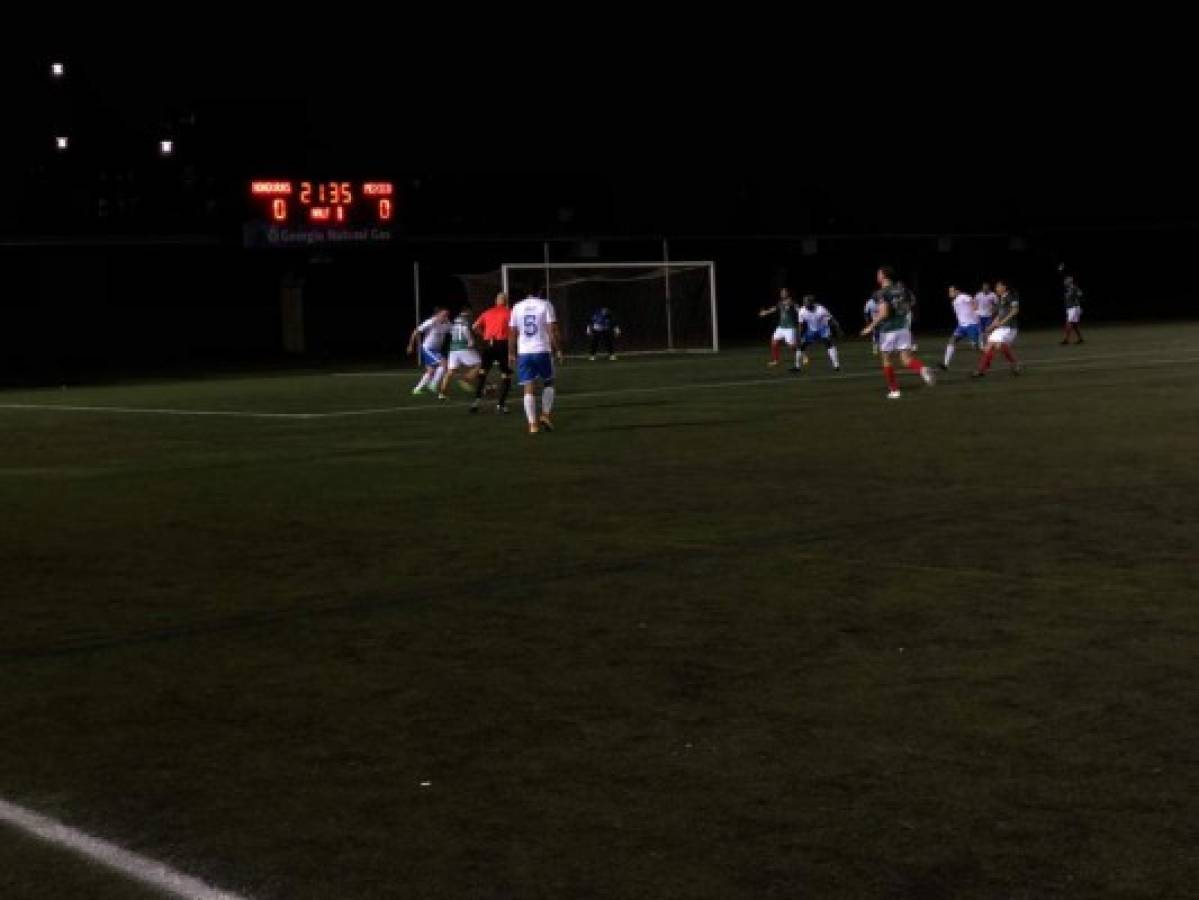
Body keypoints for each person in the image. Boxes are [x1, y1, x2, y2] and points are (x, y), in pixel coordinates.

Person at [860, 266, 936, 399]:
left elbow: (884, 313)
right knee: (906, 359)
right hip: (903, 328)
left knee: (886, 360)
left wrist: (870, 327)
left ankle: (894, 390)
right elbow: (911, 303)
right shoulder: (902, 289)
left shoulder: (881, 293)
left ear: (884, 276)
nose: (877, 276)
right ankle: (922, 369)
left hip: (888, 330)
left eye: (878, 273)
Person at [508, 287, 564, 434]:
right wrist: (558, 349)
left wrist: (511, 353)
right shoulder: (545, 304)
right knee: (549, 382)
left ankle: (532, 425)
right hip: (542, 350)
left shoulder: (517, 307)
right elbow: (553, 330)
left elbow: (513, 333)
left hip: (524, 352)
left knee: (528, 387)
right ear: (541, 294)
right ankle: (545, 415)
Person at [471, 292, 513, 414]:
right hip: (502, 344)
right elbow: (514, 330)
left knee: (483, 372)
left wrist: (484, 334)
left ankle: (476, 403)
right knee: (506, 375)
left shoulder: (487, 312)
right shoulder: (509, 312)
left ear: (496, 301)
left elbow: (474, 326)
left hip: (488, 344)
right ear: (506, 301)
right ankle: (500, 405)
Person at [973, 279, 1022, 377]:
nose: (996, 288)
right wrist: (991, 327)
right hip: (1001, 328)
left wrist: (1002, 322)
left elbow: (1015, 310)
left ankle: (982, 370)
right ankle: (981, 370)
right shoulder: (1001, 299)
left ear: (1004, 287)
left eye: (998, 286)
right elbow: (999, 316)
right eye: (996, 287)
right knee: (990, 347)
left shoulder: (1011, 296)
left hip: (1010, 328)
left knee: (997, 345)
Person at [439, 306, 483, 400]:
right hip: (463, 347)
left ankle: (442, 393)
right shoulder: (465, 319)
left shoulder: (455, 320)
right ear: (468, 312)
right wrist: (470, 340)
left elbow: (451, 331)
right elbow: (464, 329)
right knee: (479, 364)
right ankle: (466, 379)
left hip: (453, 348)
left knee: (450, 372)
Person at [407, 307, 451, 396]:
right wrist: (410, 345)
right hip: (428, 348)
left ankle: (416, 390)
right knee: (444, 364)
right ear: (437, 315)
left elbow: (454, 333)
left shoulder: (447, 323)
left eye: (447, 315)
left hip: (435, 350)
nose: (445, 317)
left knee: (430, 371)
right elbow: (416, 332)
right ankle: (433, 384)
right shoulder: (431, 322)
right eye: (444, 315)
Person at [758, 288, 803, 371]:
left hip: (790, 327)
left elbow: (799, 310)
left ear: (787, 293)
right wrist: (765, 312)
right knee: (773, 341)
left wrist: (801, 314)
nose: (782, 294)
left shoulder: (792, 302)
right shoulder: (780, 302)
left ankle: (803, 355)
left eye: (784, 292)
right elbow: (774, 309)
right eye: (781, 292)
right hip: (781, 327)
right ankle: (776, 360)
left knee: (791, 346)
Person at [939, 286, 982, 371]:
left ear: (957, 291)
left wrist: (975, 309)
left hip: (972, 325)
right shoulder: (953, 302)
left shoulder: (963, 296)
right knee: (952, 340)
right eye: (949, 291)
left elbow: (973, 301)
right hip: (961, 326)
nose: (950, 293)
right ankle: (945, 364)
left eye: (951, 291)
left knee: (975, 347)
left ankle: (985, 360)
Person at [797, 295, 842, 371]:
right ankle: (797, 366)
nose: (805, 304)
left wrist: (838, 329)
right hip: (811, 330)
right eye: (804, 302)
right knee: (801, 346)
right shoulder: (802, 311)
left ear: (811, 303)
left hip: (823, 329)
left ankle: (836, 365)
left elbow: (831, 319)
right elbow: (801, 324)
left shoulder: (821, 309)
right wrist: (800, 335)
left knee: (829, 343)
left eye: (807, 302)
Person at [1061, 275, 1085, 345]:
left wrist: (1079, 307)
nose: (1064, 282)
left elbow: (1080, 295)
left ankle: (1066, 339)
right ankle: (1080, 339)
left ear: (1070, 282)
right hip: (1070, 308)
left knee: (1068, 323)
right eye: (1065, 281)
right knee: (1075, 325)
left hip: (1074, 308)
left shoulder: (1074, 288)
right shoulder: (1067, 289)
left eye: (1066, 280)